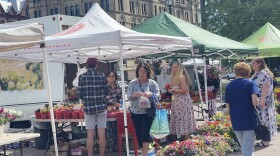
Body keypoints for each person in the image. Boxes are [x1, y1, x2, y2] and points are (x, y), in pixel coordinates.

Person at [225, 62, 259, 156]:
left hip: (236, 119)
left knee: (244, 146)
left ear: (235, 72)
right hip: (249, 118)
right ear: (248, 72)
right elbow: (255, 101)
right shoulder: (251, 83)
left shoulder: (229, 85)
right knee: (248, 146)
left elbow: (228, 105)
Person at [127, 62, 160, 156]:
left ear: (147, 72)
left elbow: (159, 96)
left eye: (144, 71)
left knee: (145, 133)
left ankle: (144, 154)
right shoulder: (132, 83)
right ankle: (144, 151)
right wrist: (134, 95)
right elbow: (128, 96)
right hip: (135, 112)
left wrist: (151, 94)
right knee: (139, 134)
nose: (142, 73)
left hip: (147, 113)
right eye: (140, 71)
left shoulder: (152, 83)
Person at [77, 58, 107, 156]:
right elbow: (106, 92)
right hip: (101, 108)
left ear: (86, 65)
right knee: (101, 134)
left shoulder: (82, 77)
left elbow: (80, 95)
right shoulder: (102, 76)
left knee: (90, 135)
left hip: (89, 109)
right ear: (96, 65)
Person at [251, 57, 277, 147]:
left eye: (253, 63)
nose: (252, 64)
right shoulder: (257, 73)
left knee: (265, 119)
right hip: (260, 100)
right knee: (262, 119)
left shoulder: (263, 73)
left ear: (259, 64)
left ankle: (266, 140)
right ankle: (265, 138)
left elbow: (265, 87)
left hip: (264, 100)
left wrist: (262, 99)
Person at [168, 61, 196, 140]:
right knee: (180, 120)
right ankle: (183, 141)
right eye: (173, 67)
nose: (173, 69)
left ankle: (186, 141)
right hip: (177, 102)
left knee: (184, 120)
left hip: (182, 102)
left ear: (179, 68)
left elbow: (185, 90)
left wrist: (173, 91)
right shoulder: (175, 77)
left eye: (175, 67)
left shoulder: (181, 77)